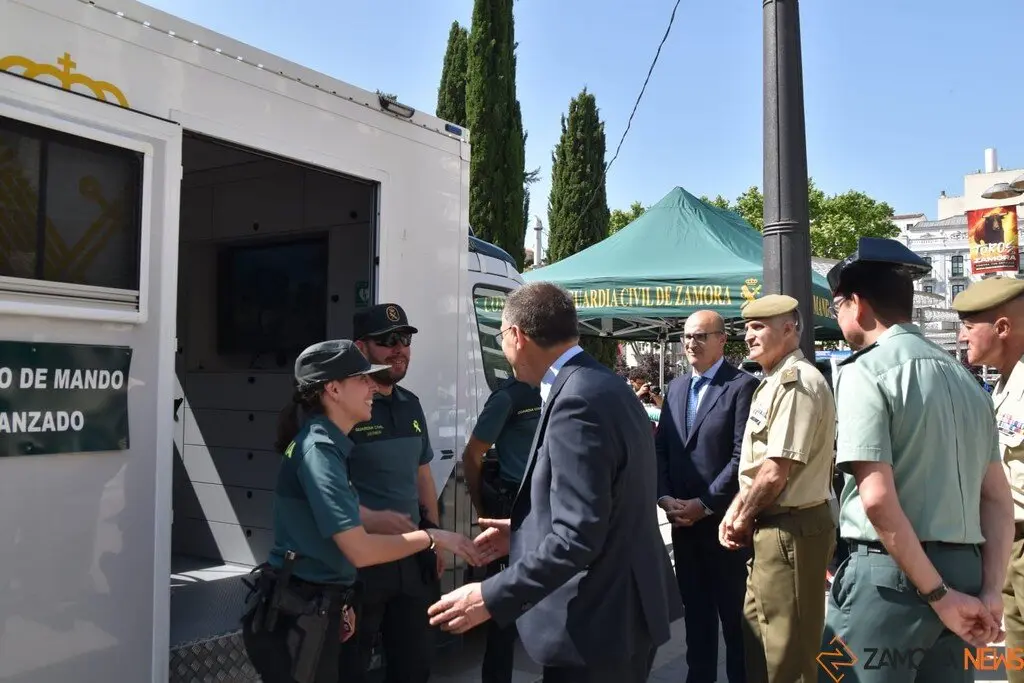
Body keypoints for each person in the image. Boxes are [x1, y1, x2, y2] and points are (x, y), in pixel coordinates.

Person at [426, 281, 682, 683]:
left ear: (516, 336)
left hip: (597, 625)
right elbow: (606, 503)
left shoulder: (577, 399)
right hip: (621, 615)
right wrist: (525, 531)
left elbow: (578, 536)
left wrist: (490, 595)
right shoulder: (603, 384)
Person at [819, 238, 1012, 683]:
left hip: (889, 580)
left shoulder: (865, 371)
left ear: (858, 305)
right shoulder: (967, 382)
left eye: (838, 306)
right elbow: (998, 501)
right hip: (967, 573)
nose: (839, 317)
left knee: (834, 675)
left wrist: (938, 596)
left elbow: (877, 500)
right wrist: (989, 591)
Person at [240, 339, 482, 683]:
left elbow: (330, 511)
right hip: (300, 613)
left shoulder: (329, 443)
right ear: (333, 389)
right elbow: (360, 550)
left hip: (318, 604)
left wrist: (373, 520)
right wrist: (430, 536)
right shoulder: (319, 450)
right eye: (361, 379)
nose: (372, 386)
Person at [718, 294, 837, 683]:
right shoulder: (773, 380)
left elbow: (775, 472)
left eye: (759, 327)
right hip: (775, 527)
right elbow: (757, 469)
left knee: (787, 650)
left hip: (791, 527)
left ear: (789, 329)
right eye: (747, 327)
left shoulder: (796, 381)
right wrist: (738, 511)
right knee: (762, 637)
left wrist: (741, 516)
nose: (748, 335)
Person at [335, 303, 444, 683]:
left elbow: (423, 477)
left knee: (414, 665)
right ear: (360, 348)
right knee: (348, 667)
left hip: (412, 557)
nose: (399, 348)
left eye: (405, 339)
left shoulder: (411, 404)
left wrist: (435, 540)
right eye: (387, 341)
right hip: (360, 563)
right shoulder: (345, 407)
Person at [655, 309, 756, 683]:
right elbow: (662, 447)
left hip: (725, 528)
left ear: (721, 340)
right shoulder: (677, 388)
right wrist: (665, 496)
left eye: (700, 336)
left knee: (735, 622)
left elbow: (741, 457)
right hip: (683, 525)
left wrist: (705, 504)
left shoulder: (741, 386)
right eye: (686, 337)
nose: (691, 344)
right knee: (696, 620)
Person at [954, 276, 1024, 683]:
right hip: (1007, 543)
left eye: (968, 325)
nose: (962, 336)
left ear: (1001, 328)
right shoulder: (1001, 385)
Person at [461, 375, 542, 683]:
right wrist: (483, 508)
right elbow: (473, 454)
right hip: (516, 507)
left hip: (552, 505)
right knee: (504, 609)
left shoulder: (560, 385)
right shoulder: (508, 398)